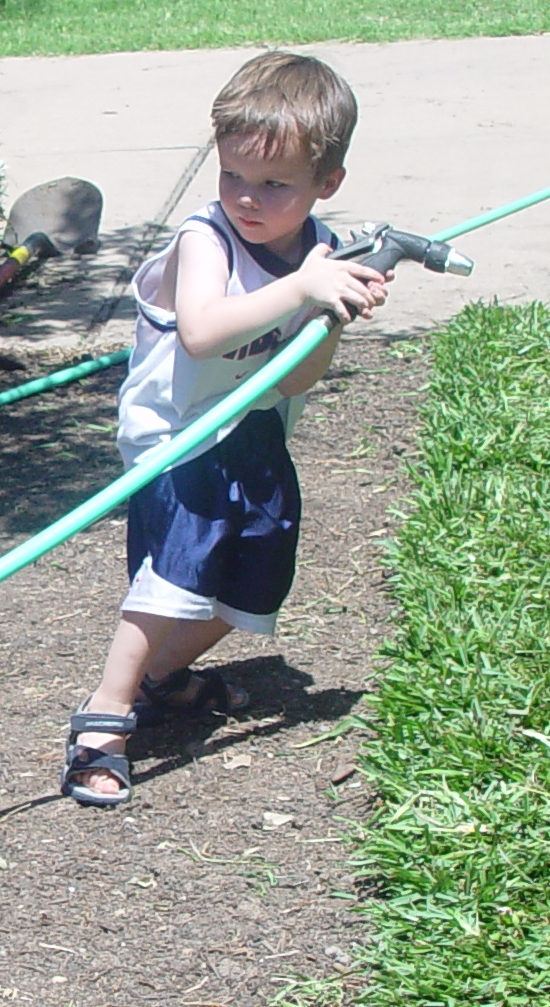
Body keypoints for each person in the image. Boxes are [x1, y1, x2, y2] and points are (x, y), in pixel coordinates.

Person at [64, 51, 391, 808]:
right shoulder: (205, 239)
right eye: (233, 174)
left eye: (274, 184)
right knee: (172, 580)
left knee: (253, 580)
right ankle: (103, 722)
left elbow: (300, 376)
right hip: (177, 438)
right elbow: (204, 333)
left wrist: (331, 310)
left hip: (254, 433)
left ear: (325, 185)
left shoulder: (320, 252)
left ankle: (161, 680)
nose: (248, 197)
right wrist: (302, 286)